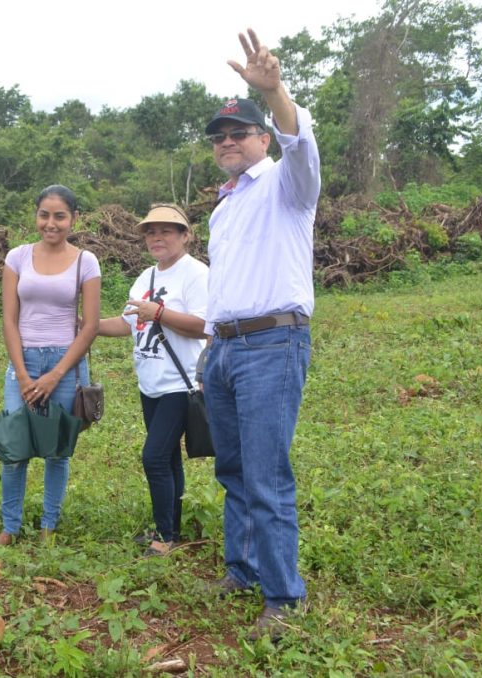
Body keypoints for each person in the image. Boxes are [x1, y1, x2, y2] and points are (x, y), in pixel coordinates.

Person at [200, 29, 321, 640]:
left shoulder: (286, 184)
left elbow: (300, 145)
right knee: (235, 468)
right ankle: (242, 569)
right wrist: (210, 351)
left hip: (273, 345)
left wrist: (275, 93)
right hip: (223, 349)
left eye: (238, 132)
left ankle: (283, 598)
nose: (227, 142)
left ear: (263, 138)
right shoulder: (223, 208)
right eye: (219, 137)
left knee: (268, 474)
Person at [0, 184, 101, 547]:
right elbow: (8, 319)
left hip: (65, 365)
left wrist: (55, 375)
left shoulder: (86, 261)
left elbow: (91, 325)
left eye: (60, 216)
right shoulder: (17, 257)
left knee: (57, 450)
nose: (51, 223)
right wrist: (22, 374)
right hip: (23, 361)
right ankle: (10, 527)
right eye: (44, 215)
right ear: (36, 215)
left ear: (74, 219)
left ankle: (49, 525)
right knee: (13, 448)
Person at [97, 204, 208, 557]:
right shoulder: (146, 277)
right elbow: (128, 323)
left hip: (180, 381)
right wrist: (88, 326)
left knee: (155, 457)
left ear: (185, 235)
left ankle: (166, 537)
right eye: (150, 232)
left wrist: (158, 312)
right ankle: (168, 526)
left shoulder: (196, 274)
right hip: (150, 383)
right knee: (168, 458)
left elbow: (206, 325)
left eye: (166, 231)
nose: (156, 238)